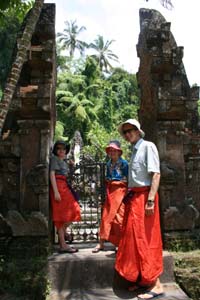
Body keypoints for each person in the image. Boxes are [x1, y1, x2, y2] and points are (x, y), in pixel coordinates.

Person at [115, 119, 163, 299]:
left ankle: (156, 283)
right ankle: (143, 279)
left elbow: (156, 174)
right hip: (135, 198)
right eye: (125, 132)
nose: (128, 134)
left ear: (138, 131)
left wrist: (150, 200)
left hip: (145, 198)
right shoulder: (134, 151)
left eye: (131, 131)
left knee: (147, 239)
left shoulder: (148, 146)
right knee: (133, 239)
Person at [92, 140, 128, 253]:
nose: (112, 152)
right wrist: (108, 179)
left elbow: (128, 178)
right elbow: (108, 176)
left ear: (119, 152)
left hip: (121, 191)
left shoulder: (124, 164)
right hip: (111, 191)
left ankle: (120, 243)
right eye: (110, 150)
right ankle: (101, 243)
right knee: (106, 216)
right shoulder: (108, 164)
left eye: (114, 150)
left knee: (119, 218)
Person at [50, 140, 81, 253]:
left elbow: (66, 175)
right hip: (58, 187)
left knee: (75, 210)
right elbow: (52, 174)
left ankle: (63, 234)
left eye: (63, 149)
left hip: (65, 187)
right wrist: (56, 191)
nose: (61, 151)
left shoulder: (64, 161)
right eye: (58, 148)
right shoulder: (54, 159)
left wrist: (71, 167)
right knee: (60, 216)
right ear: (55, 150)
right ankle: (63, 244)